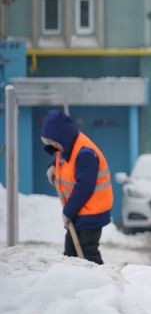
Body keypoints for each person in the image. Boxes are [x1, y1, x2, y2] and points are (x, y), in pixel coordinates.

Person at [41, 109, 113, 265]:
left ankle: (102, 283)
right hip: (80, 211)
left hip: (92, 211)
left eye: (54, 141)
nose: (53, 145)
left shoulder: (85, 153)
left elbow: (84, 188)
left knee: (87, 252)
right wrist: (53, 166)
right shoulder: (68, 145)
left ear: (62, 136)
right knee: (71, 252)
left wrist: (68, 212)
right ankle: (75, 281)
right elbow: (62, 156)